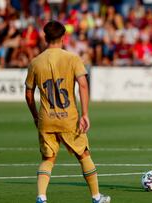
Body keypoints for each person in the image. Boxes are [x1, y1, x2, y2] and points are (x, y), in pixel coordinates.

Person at [25, 21, 111, 203]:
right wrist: (85, 113)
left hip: (46, 119)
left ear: (45, 37)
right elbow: (83, 84)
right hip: (69, 118)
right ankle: (96, 197)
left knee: (48, 158)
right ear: (63, 38)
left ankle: (41, 197)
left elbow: (28, 93)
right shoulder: (72, 58)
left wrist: (35, 116)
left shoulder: (35, 62)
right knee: (83, 155)